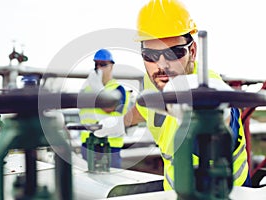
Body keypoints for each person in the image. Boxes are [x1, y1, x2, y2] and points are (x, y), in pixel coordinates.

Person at [94, 0, 251, 190]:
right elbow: (144, 109)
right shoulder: (152, 81)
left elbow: (226, 121)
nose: (161, 65)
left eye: (173, 53)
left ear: (192, 51)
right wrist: (119, 122)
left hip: (226, 192)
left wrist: (210, 113)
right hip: (176, 188)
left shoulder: (208, 85)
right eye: (150, 55)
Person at [79, 48, 130, 168]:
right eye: (96, 64)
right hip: (88, 143)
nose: (98, 68)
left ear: (111, 66)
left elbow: (110, 108)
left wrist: (98, 90)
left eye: (103, 64)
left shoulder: (118, 89)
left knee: (111, 181)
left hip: (110, 145)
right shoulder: (87, 89)